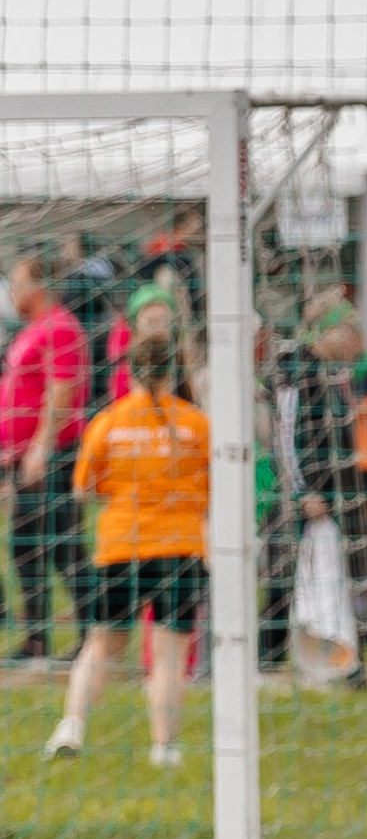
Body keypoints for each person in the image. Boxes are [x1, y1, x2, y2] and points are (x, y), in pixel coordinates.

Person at [44, 333, 207, 768]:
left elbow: (82, 489)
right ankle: (164, 749)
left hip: (121, 545)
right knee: (170, 654)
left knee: (101, 646)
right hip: (180, 547)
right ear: (174, 371)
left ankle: (72, 725)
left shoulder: (109, 422)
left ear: (130, 372)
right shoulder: (196, 424)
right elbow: (212, 488)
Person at [263, 288, 367, 674]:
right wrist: (302, 491)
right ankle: (268, 662)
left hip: (330, 494)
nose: (358, 344)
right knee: (283, 576)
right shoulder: (298, 372)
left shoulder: (332, 375)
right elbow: (286, 437)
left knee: (328, 576)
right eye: (352, 333)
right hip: (304, 497)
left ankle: (336, 660)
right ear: (333, 333)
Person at [3, 257, 96, 666]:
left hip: (53, 457)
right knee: (25, 547)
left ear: (38, 286)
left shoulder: (60, 328)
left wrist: (40, 447)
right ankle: (37, 641)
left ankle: (91, 638)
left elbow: (61, 391)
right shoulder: (33, 330)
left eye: (17, 283)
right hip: (25, 457)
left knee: (64, 548)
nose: (11, 291)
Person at [106, 284, 178, 401]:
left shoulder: (179, 362)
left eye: (165, 321)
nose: (158, 329)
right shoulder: (125, 375)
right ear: (135, 326)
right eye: (151, 322)